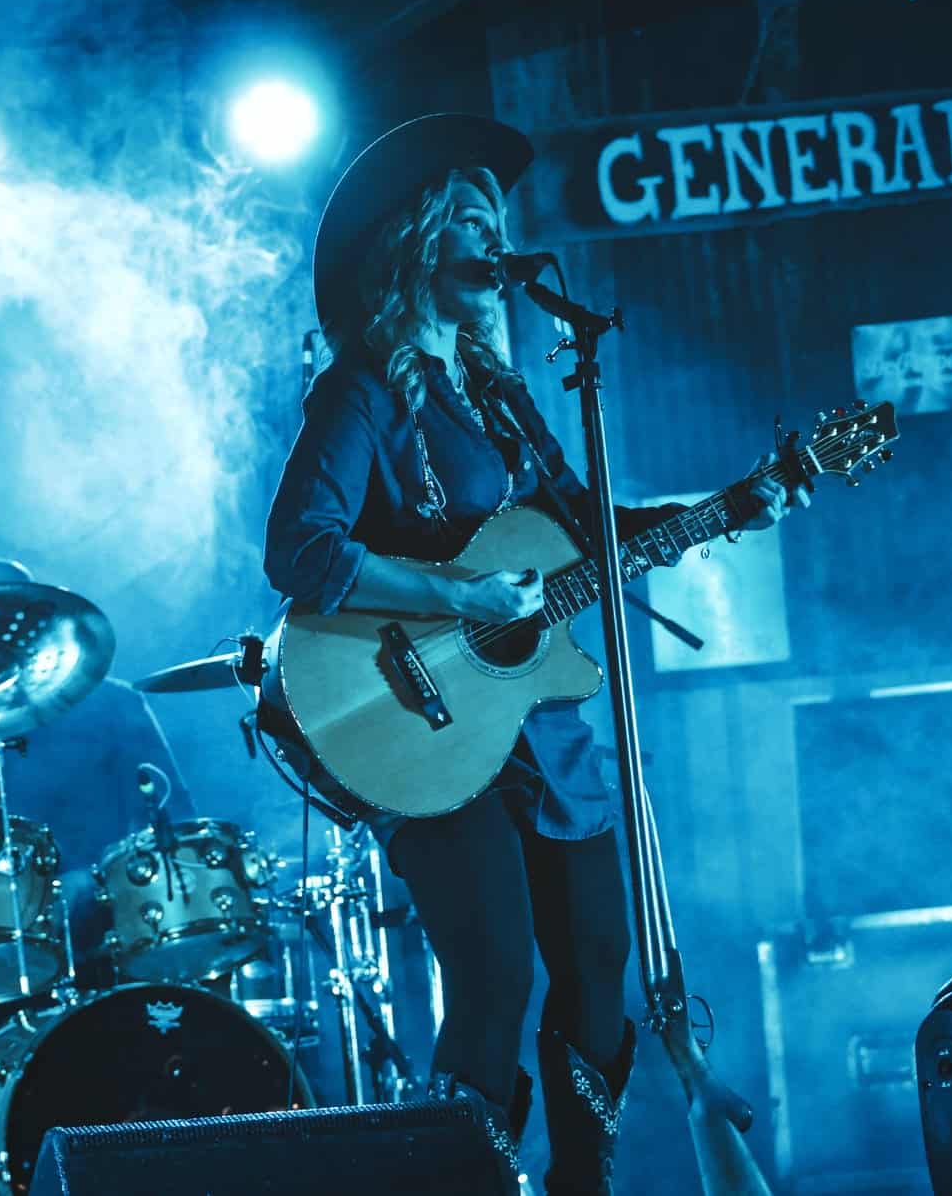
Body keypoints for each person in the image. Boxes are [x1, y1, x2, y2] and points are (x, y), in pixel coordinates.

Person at [260, 115, 790, 1193]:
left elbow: (584, 530)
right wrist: (451, 589)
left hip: (541, 726)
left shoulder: (501, 397)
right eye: (460, 218)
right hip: (424, 726)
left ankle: (580, 1186)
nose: (482, 239)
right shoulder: (360, 386)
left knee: (598, 974)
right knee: (493, 973)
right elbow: (299, 549)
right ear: (413, 242)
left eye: (491, 221)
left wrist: (727, 507)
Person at [0, 557, 198, 986]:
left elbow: (173, 822)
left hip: (106, 937)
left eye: (6, 615)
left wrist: (97, 878)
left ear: (38, 620)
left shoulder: (112, 704)